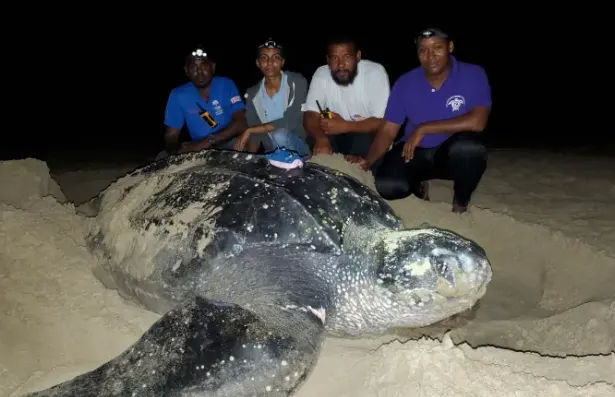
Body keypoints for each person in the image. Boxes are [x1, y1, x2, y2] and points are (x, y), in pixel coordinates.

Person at [356, 28, 491, 213]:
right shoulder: (405, 82)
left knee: (470, 149)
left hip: (451, 153)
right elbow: (388, 130)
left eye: (437, 48)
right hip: (414, 151)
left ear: (450, 47)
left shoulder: (473, 74)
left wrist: (424, 128)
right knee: (387, 186)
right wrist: (368, 161)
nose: (430, 56)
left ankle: (460, 203)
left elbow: (478, 121)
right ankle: (419, 186)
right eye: (423, 50)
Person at [302, 36, 390, 162]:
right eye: (334, 58)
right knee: (314, 136)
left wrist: (345, 126)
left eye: (347, 57)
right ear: (328, 60)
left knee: (367, 139)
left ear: (358, 56)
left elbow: (385, 122)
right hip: (335, 135)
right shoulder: (321, 74)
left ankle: (360, 173)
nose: (341, 64)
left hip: (366, 135)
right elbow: (310, 114)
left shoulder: (375, 73)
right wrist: (321, 139)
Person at [160, 46, 247, 158]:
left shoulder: (226, 84)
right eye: (193, 67)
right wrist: (178, 149)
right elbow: (171, 136)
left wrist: (209, 141)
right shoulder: (178, 94)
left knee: (243, 146)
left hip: (227, 142)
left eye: (204, 65)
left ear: (213, 67)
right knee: (162, 157)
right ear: (186, 71)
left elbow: (241, 122)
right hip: (197, 148)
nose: (199, 72)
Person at [234, 38, 310, 158]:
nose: (270, 63)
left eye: (276, 57)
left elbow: (289, 121)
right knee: (237, 151)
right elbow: (256, 135)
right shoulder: (252, 94)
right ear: (257, 63)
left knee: (279, 135)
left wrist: (249, 130)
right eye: (264, 58)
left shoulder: (297, 82)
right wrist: (248, 157)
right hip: (271, 152)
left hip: (299, 149)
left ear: (282, 62)